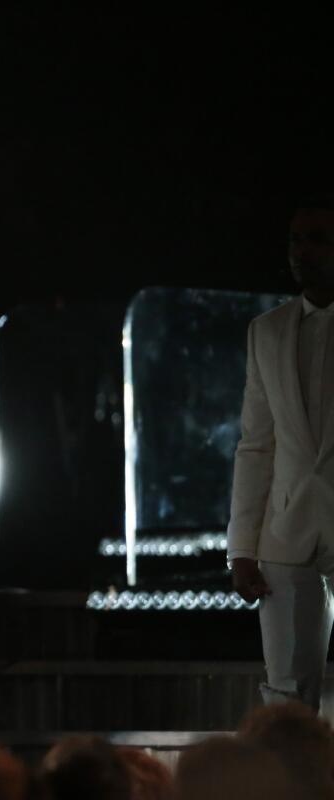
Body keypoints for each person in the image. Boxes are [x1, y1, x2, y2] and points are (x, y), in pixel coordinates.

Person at [228, 194, 334, 710]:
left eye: (317, 238)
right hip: (285, 536)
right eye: (296, 239)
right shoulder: (266, 331)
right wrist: (241, 548)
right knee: (288, 700)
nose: (302, 251)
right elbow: (255, 445)